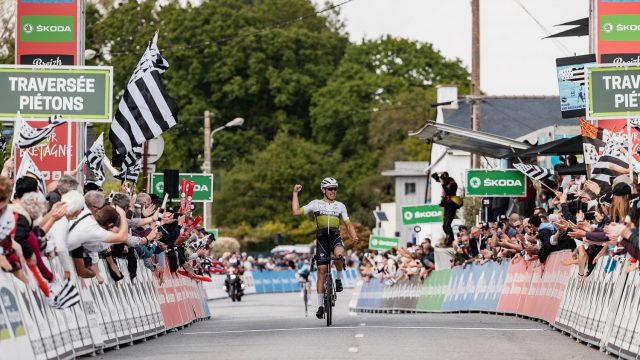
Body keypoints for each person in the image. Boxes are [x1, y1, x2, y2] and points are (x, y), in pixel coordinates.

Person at [291, 177, 359, 320]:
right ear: (324, 190)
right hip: (321, 240)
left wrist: (354, 236)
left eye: (335, 189)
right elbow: (296, 211)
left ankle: (339, 279)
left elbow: (348, 223)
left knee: (340, 256)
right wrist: (295, 193)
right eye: (330, 189)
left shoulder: (340, 205)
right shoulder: (315, 204)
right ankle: (321, 306)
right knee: (322, 271)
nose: (333, 191)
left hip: (335, 238)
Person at [432, 172, 459, 246]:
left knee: (447, 224)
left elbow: (448, 192)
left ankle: (451, 240)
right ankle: (450, 238)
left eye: (443, 178)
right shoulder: (445, 181)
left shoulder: (453, 184)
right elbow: (433, 176)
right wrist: (438, 173)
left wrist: (443, 184)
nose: (441, 180)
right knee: (444, 225)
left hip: (452, 204)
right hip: (447, 204)